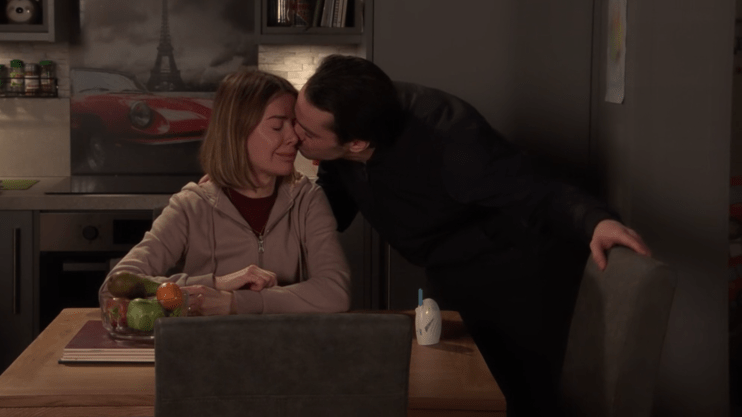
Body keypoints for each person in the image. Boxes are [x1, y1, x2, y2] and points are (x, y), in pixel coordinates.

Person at [292, 54, 651, 416]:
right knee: (446, 385)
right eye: (294, 119)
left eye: (306, 132)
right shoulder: (346, 121)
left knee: (516, 394)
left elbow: (538, 191)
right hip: (443, 267)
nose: (294, 133)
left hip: (514, 275)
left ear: (356, 143)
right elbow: (333, 204)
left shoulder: (451, 142)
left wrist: (596, 221)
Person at [99, 69, 351, 316]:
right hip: (207, 349)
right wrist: (216, 284)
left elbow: (335, 291)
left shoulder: (307, 199)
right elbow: (113, 290)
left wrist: (234, 302)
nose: (293, 138)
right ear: (237, 132)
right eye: (277, 127)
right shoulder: (191, 206)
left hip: (285, 349)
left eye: (293, 125)